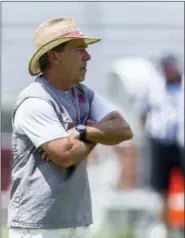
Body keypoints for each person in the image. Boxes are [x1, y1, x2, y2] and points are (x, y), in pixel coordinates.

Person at [7, 17, 133, 238]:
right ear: (54, 56)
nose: (88, 56)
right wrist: (98, 133)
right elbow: (66, 155)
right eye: (79, 50)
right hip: (38, 226)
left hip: (78, 222)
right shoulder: (35, 101)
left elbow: (123, 129)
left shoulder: (84, 94)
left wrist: (83, 131)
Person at [136, 54, 184, 237]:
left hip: (182, 142)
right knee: (162, 188)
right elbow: (142, 112)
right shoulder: (153, 87)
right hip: (160, 142)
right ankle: (167, 229)